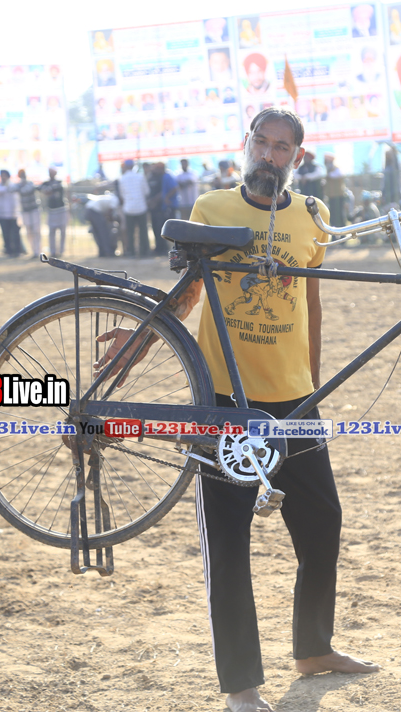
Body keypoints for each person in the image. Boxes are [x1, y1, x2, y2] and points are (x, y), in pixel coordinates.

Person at [92, 107, 379, 712]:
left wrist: (313, 384)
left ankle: (313, 649)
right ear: (246, 144)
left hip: (294, 398)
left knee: (322, 521)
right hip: (223, 400)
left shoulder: (313, 216)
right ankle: (241, 686)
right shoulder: (211, 208)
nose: (269, 155)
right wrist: (138, 342)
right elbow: (187, 294)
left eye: (282, 147)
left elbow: (311, 302)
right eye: (262, 142)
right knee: (227, 541)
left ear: (298, 157)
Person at [117, 160, 150, 257]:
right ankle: (144, 252)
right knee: (143, 231)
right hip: (141, 207)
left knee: (130, 232)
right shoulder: (140, 176)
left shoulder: (122, 178)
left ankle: (131, 252)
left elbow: (122, 195)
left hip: (129, 208)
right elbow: (147, 192)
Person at [0, 170, 23, 257]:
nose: (3, 177)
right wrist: (6, 187)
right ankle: (8, 251)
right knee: (6, 234)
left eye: (5, 175)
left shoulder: (13, 185)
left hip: (13, 214)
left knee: (15, 233)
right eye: (2, 175)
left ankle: (17, 251)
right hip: (2, 214)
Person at [150, 162, 178, 255]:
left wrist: (166, 197)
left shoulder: (167, 176)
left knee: (171, 228)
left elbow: (174, 188)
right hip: (165, 206)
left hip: (170, 206)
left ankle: (173, 248)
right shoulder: (163, 177)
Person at [40, 168, 68, 257]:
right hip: (51, 210)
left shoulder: (59, 182)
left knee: (62, 231)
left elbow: (59, 188)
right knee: (51, 231)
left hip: (61, 210)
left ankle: (61, 251)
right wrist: (47, 189)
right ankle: (53, 251)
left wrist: (50, 189)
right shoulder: (46, 183)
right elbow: (40, 188)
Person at [85, 190, 122, 257]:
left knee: (97, 233)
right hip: (95, 211)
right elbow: (109, 213)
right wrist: (113, 220)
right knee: (103, 233)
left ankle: (102, 252)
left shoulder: (111, 197)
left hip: (88, 209)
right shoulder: (115, 200)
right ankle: (108, 252)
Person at [15, 169, 42, 257]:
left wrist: (21, 188)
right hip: (25, 211)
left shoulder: (30, 183)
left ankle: (38, 251)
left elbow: (26, 190)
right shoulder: (18, 185)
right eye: (21, 174)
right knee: (29, 231)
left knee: (36, 230)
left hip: (34, 210)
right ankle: (33, 251)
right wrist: (20, 187)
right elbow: (12, 189)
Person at [323, 153, 348, 228]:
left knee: (340, 214)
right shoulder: (327, 170)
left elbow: (339, 175)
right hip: (331, 197)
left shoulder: (336, 169)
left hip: (338, 196)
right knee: (332, 215)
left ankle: (343, 232)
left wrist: (330, 175)